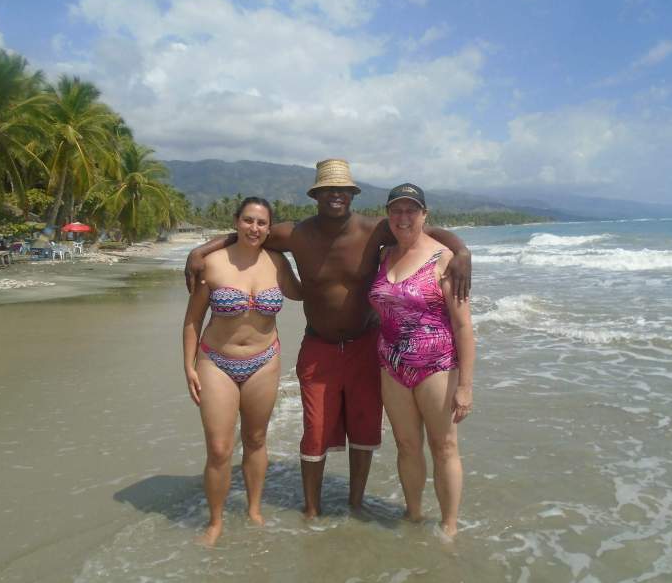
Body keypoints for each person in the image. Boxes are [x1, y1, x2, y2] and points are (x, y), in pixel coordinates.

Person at [185, 159, 471, 518]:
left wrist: (461, 252)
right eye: (328, 190)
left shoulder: (373, 230)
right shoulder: (297, 234)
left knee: (365, 428)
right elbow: (248, 233)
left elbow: (423, 229)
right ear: (316, 195)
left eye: (342, 190)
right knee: (316, 429)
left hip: (365, 345)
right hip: (319, 345)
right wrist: (200, 251)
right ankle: (311, 509)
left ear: (352, 195)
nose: (336, 195)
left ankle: (356, 503)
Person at [182, 196, 301, 545]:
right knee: (219, 448)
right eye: (248, 220)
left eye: (262, 223)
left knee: (256, 439)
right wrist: (188, 366)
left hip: (264, 361)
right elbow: (192, 320)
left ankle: (254, 509)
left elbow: (304, 292)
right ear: (236, 221)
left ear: (269, 228)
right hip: (216, 362)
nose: (254, 228)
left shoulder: (277, 262)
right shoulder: (212, 263)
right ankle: (215, 522)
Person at [368, 183, 474, 538]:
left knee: (444, 446)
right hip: (392, 365)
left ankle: (449, 526)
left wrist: (465, 386)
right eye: (396, 210)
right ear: (388, 215)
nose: (403, 217)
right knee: (407, 445)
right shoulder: (384, 255)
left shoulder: (445, 258)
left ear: (424, 214)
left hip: (437, 366)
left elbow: (463, 325)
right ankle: (413, 516)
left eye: (411, 210)